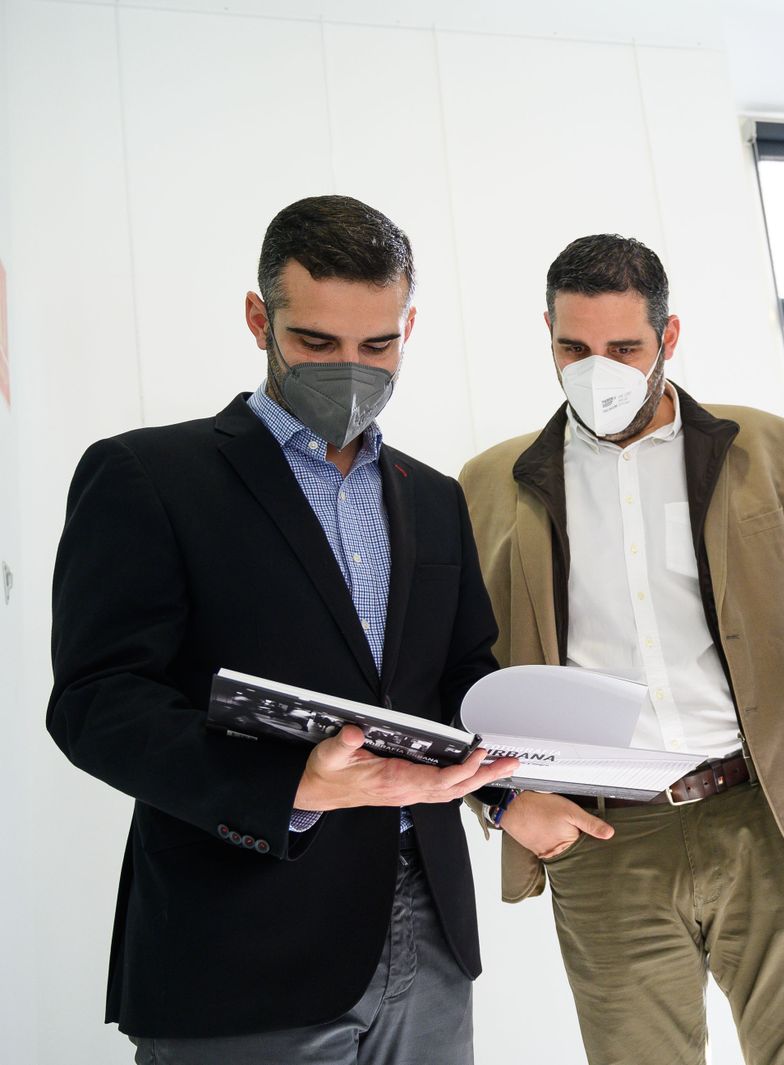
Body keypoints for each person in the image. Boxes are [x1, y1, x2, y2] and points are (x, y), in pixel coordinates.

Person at [46, 195, 517, 1064]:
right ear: (260, 318)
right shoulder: (146, 476)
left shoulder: (433, 496)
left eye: (379, 345)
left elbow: (459, 679)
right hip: (239, 941)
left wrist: (516, 783)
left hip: (431, 932)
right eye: (316, 343)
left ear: (408, 325)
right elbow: (95, 703)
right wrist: (292, 784)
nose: (351, 367)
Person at [458, 233, 784, 1065]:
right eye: (573, 348)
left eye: (624, 347)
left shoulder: (762, 449)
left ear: (671, 335)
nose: (599, 369)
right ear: (546, 336)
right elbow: (455, 674)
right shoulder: (488, 483)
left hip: (771, 821)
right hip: (603, 841)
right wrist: (505, 801)